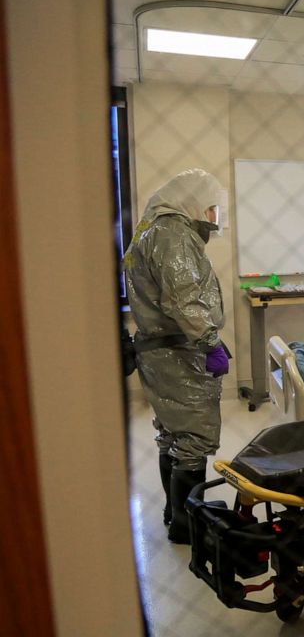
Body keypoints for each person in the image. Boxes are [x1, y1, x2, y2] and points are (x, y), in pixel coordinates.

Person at [123, 168, 230, 545]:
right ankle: (189, 527)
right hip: (179, 352)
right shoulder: (172, 235)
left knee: (172, 433)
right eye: (212, 208)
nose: (215, 216)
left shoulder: (150, 231)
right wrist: (211, 342)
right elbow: (184, 299)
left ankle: (176, 512)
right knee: (194, 437)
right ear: (192, 201)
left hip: (161, 350)